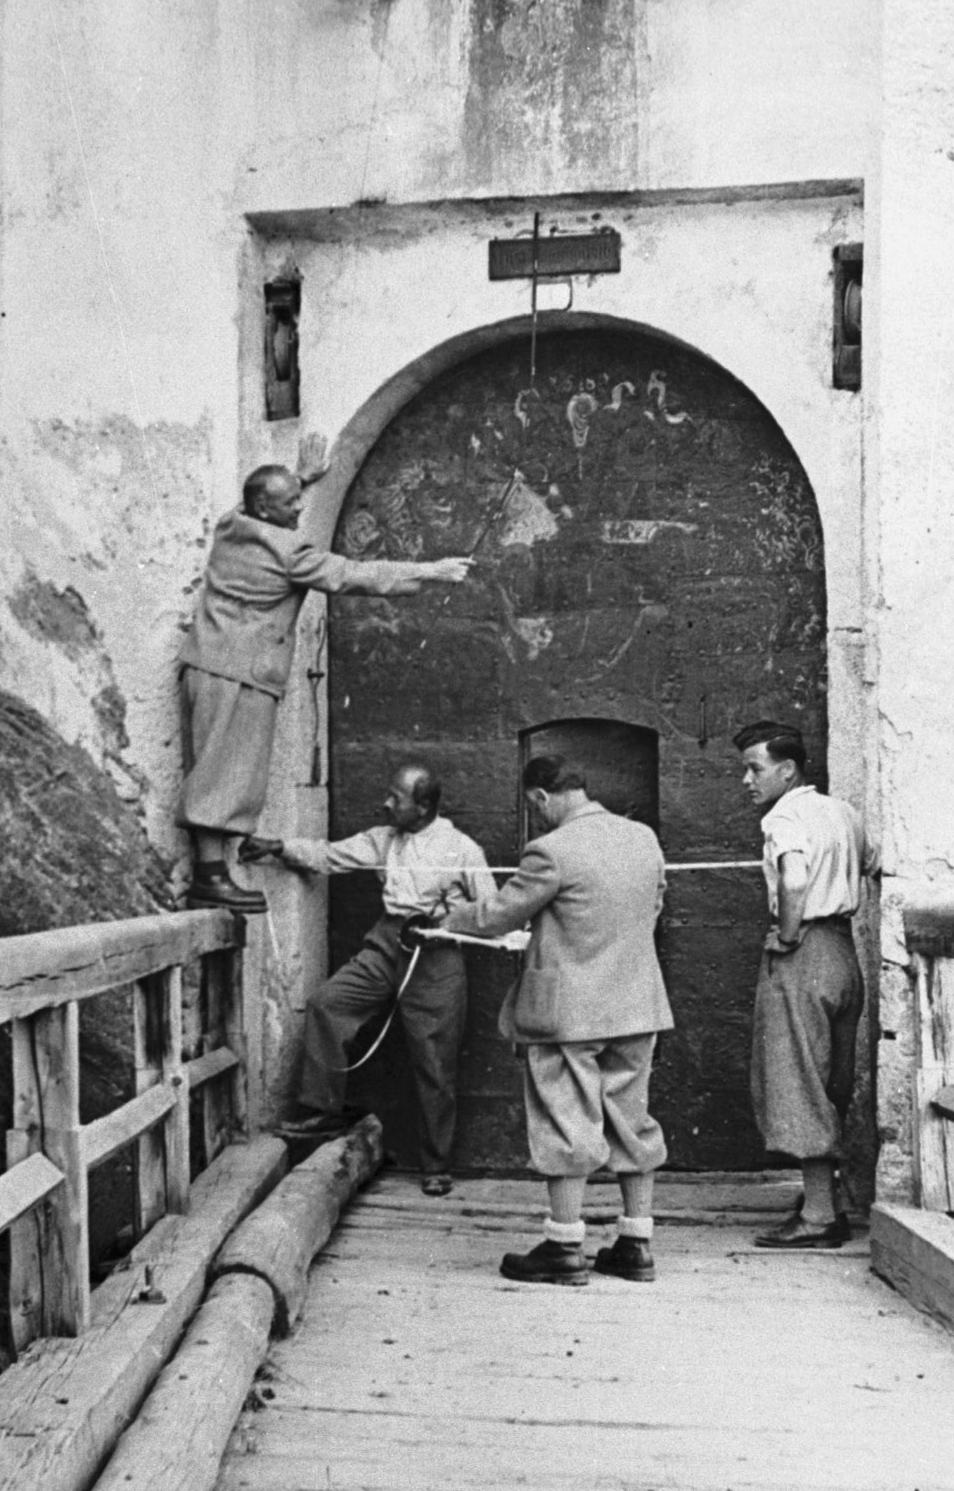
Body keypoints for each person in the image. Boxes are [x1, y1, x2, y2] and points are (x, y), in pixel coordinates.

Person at [177, 453, 470, 911]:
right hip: (240, 675)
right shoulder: (288, 554)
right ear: (264, 508)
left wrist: (305, 477)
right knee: (225, 775)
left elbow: (263, 500)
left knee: (216, 767)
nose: (299, 509)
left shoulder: (231, 527)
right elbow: (354, 576)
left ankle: (213, 872)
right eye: (291, 503)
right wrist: (430, 571)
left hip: (210, 665)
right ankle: (210, 876)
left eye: (299, 499)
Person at [442, 754, 672, 1284]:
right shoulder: (643, 839)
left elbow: (499, 914)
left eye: (532, 806)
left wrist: (445, 919)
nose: (535, 815)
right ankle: (636, 1243)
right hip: (637, 1002)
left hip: (569, 1012)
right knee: (632, 1121)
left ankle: (564, 1245)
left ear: (543, 798)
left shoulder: (551, 850)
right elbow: (653, 907)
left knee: (566, 1120)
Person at [243, 762, 496, 1196]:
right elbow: (329, 855)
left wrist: (447, 919)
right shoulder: (384, 839)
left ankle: (435, 1165)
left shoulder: (462, 849)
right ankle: (324, 1108)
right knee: (328, 1003)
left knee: (434, 1063)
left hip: (434, 955)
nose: (386, 803)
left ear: (423, 807)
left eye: (397, 798)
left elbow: (492, 911)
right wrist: (278, 846)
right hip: (387, 943)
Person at [734, 720, 879, 1250]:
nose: (747, 781)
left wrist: (789, 935)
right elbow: (873, 864)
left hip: (808, 950)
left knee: (799, 1078)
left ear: (787, 769)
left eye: (755, 768)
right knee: (833, 1076)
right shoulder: (843, 811)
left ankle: (819, 1213)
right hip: (844, 952)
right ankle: (831, 1197)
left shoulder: (786, 816)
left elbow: (794, 879)